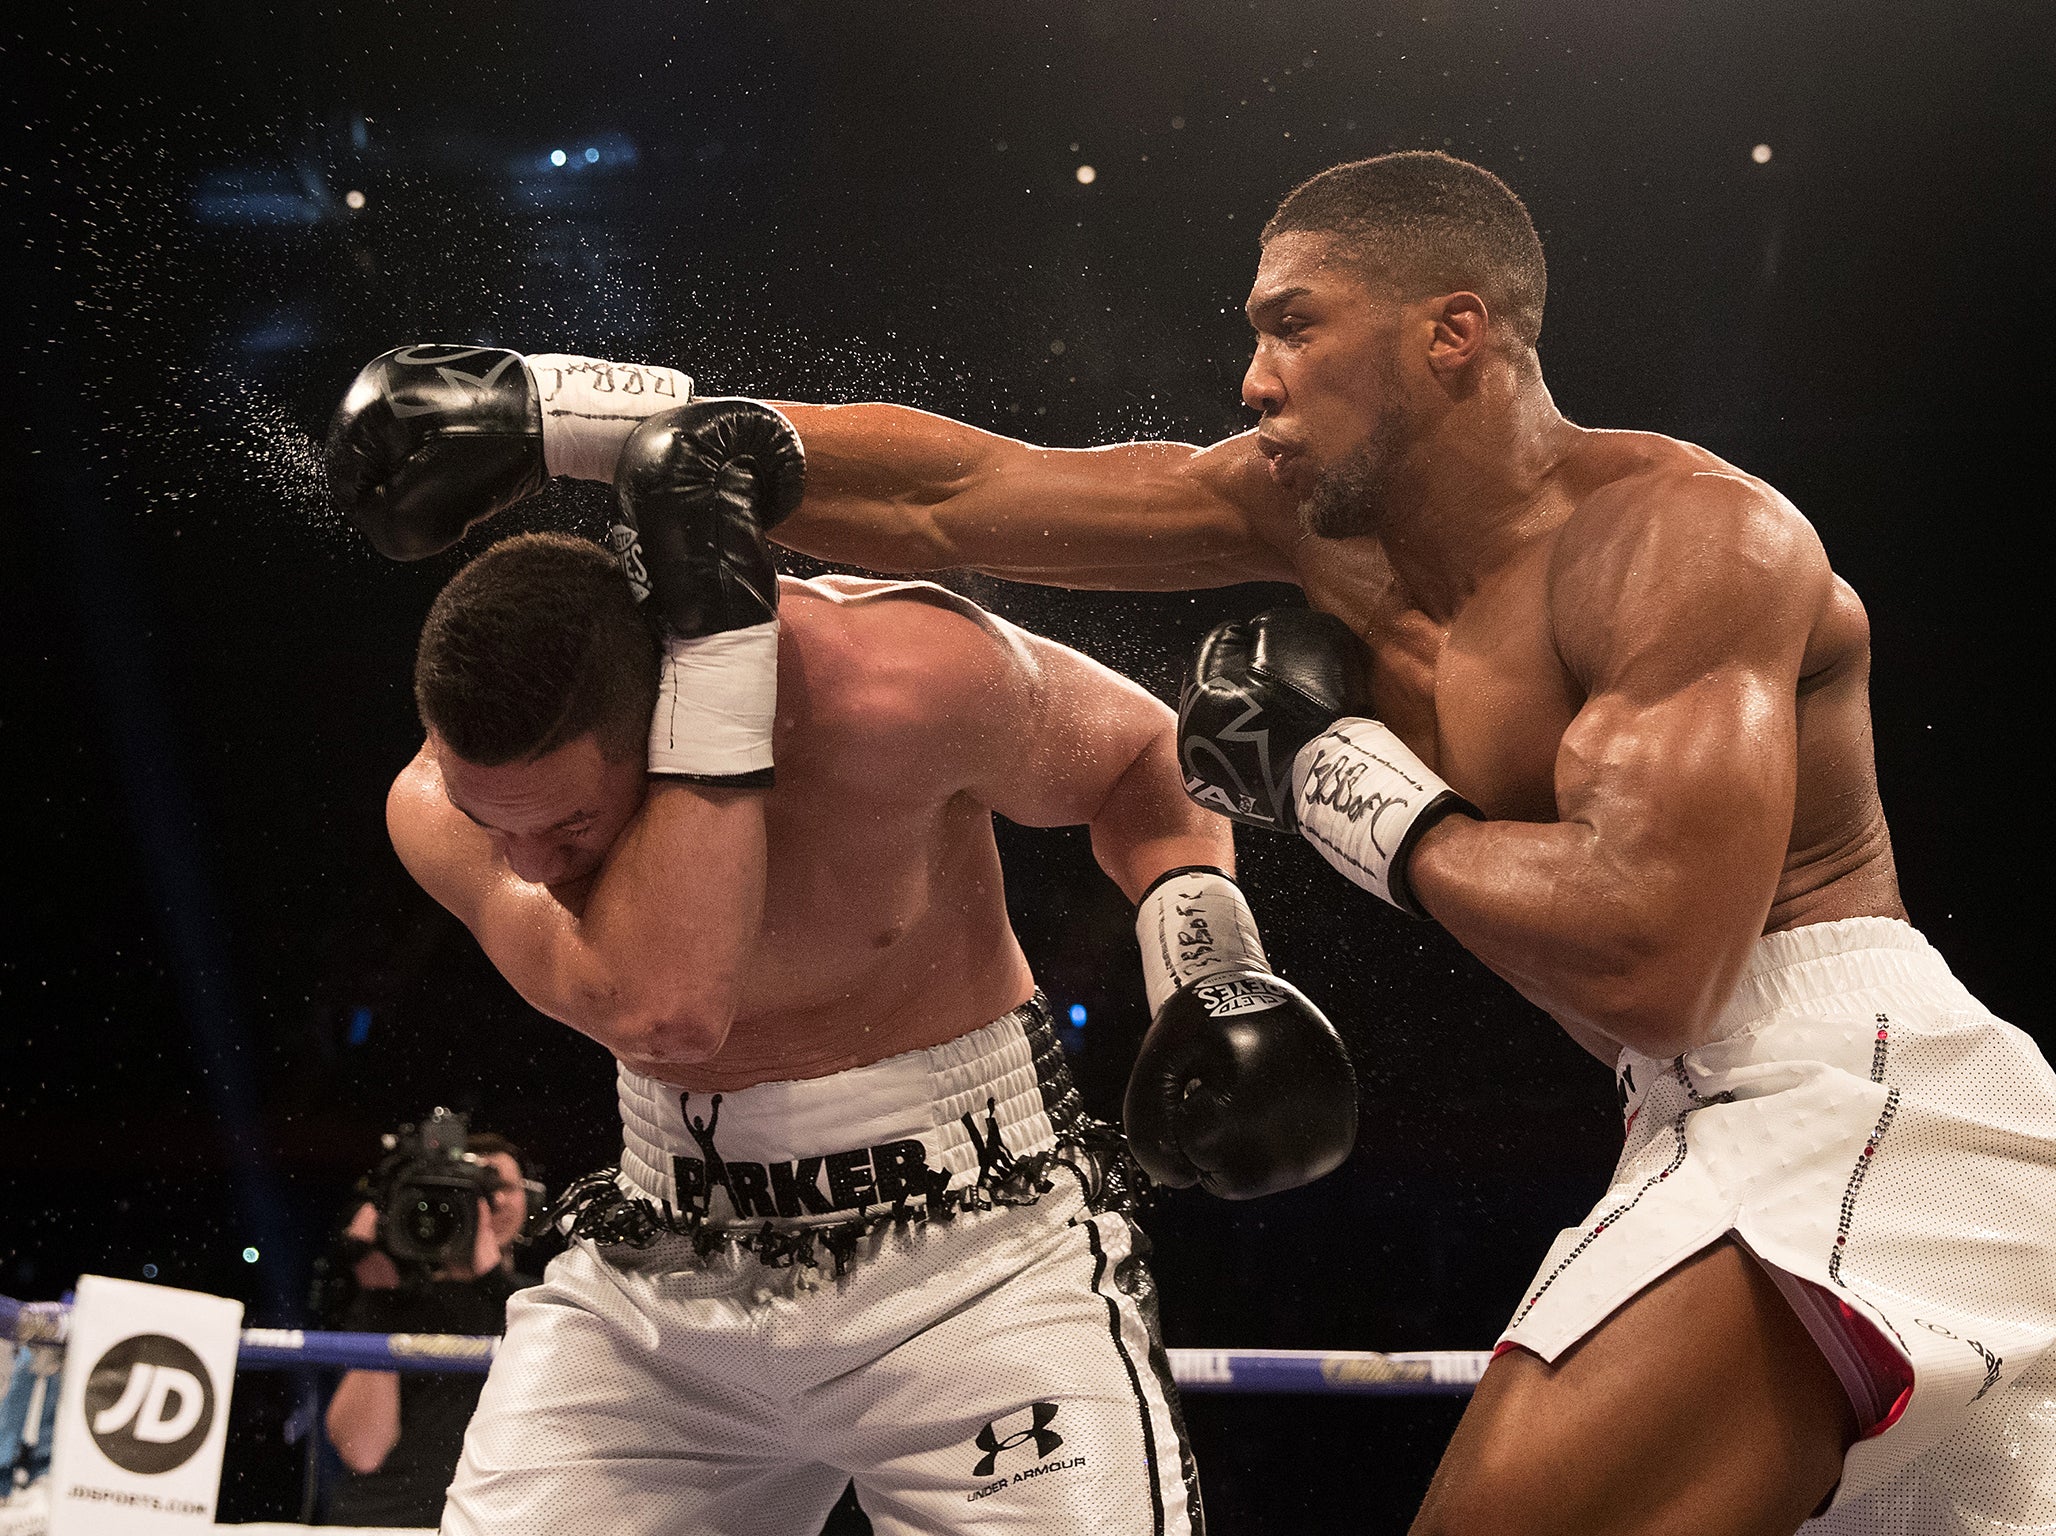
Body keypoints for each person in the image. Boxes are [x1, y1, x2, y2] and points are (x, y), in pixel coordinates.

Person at [326, 152, 2056, 1534]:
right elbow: (961, 494)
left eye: (1295, 325)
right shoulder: (1295, 527)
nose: (1252, 373)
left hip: (1853, 1087)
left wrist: (1337, 778)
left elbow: (1663, 963)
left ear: (1455, 330)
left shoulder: (1688, 540)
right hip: (1703, 1111)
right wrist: (557, 418)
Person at [337, 393, 1358, 1534]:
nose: (525, 864)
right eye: (498, 822)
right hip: (663, 1270)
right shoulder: (436, 812)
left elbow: (1141, 761)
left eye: (567, 828)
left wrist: (1205, 958)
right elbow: (665, 1007)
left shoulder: (889, 683)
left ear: (663, 724)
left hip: (976, 1261)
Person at [323, 1133, 537, 1528]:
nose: (489, 1203)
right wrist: (378, 1295)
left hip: (495, 1520)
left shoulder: (540, 1304)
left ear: (529, 1201)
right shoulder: (391, 1304)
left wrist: (491, 1280)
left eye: (497, 1186)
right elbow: (362, 1450)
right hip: (387, 1519)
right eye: (466, 1191)